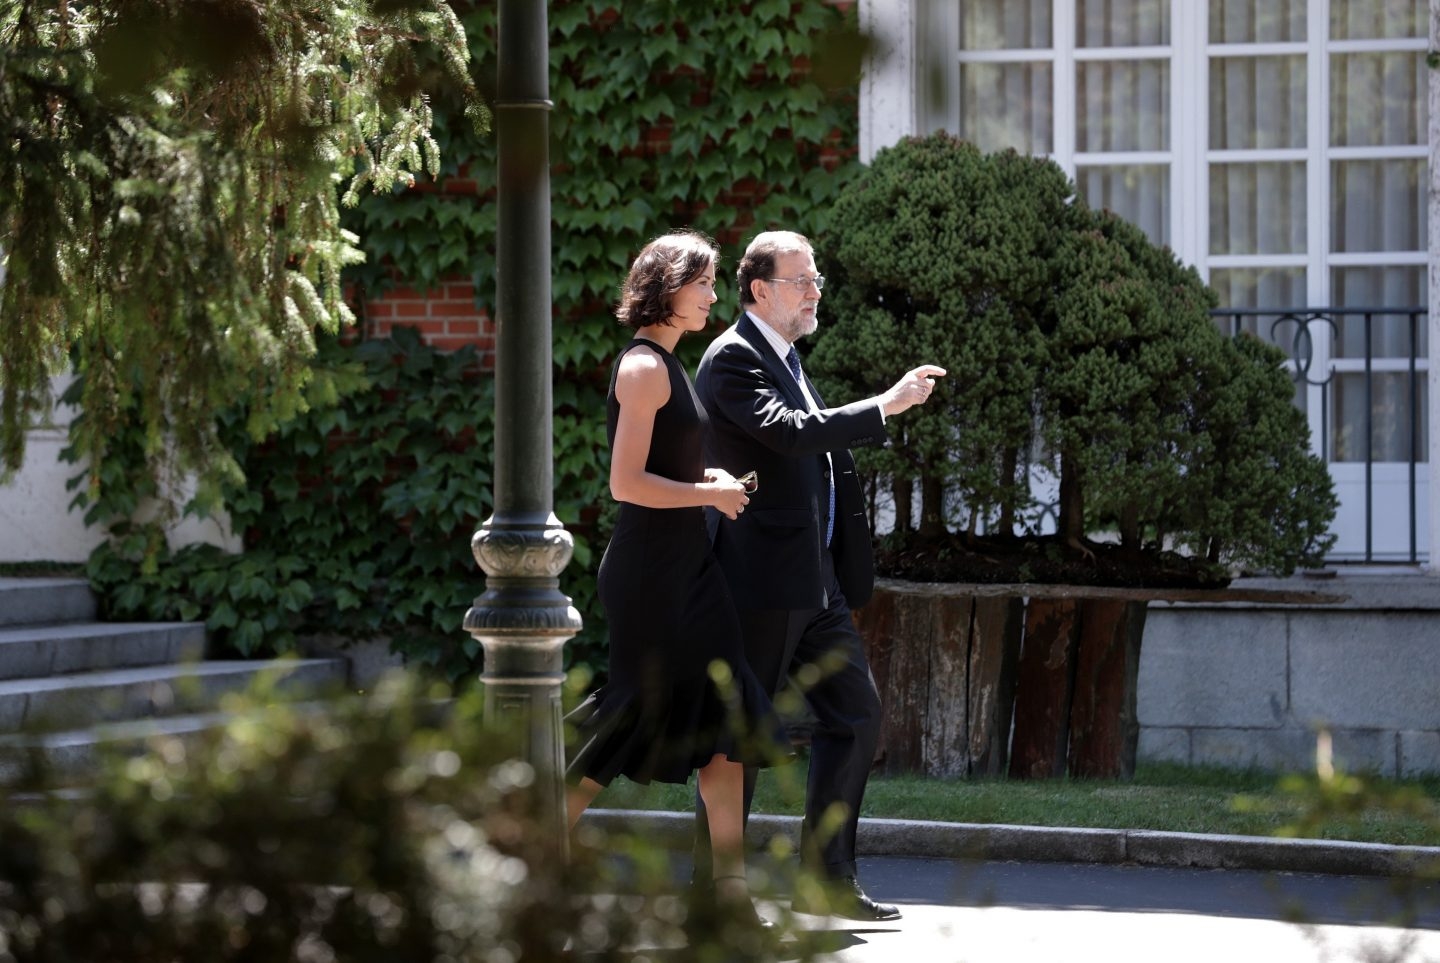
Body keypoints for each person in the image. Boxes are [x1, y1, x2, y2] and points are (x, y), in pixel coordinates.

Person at [693, 230, 945, 921]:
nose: (814, 292)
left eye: (816, 280)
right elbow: (792, 434)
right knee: (737, 740)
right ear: (760, 291)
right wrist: (883, 406)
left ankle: (826, 878)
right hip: (757, 581)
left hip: (816, 583)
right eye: (800, 281)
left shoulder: (786, 355)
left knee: (856, 716)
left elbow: (809, 450)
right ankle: (715, 896)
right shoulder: (733, 361)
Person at [564, 230, 786, 930]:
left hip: (690, 569)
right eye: (704, 284)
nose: (714, 296)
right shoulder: (643, 368)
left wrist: (707, 478)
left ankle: (729, 893)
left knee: (725, 718)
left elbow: (666, 465)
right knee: (633, 711)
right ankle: (532, 835)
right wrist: (708, 496)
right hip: (651, 576)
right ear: (667, 286)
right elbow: (626, 483)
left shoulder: (668, 361)